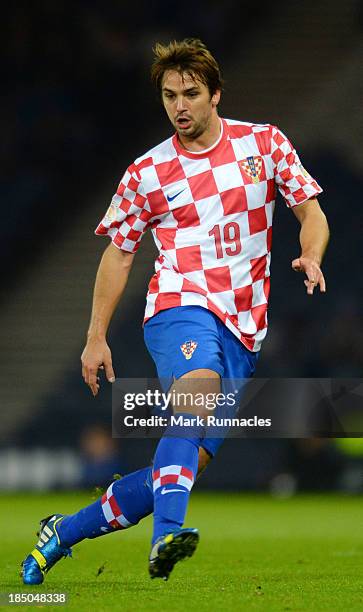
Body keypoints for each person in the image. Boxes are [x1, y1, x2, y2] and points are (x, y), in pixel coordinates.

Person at [21, 38, 329, 584]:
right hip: (178, 304)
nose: (179, 106)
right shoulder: (147, 172)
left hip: (244, 324)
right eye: (169, 96)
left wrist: (309, 252)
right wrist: (96, 335)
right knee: (199, 386)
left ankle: (62, 533)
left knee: (182, 470)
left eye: (190, 93)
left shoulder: (265, 143)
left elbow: (312, 213)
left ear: (215, 93)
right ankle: (167, 537)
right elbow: (119, 253)